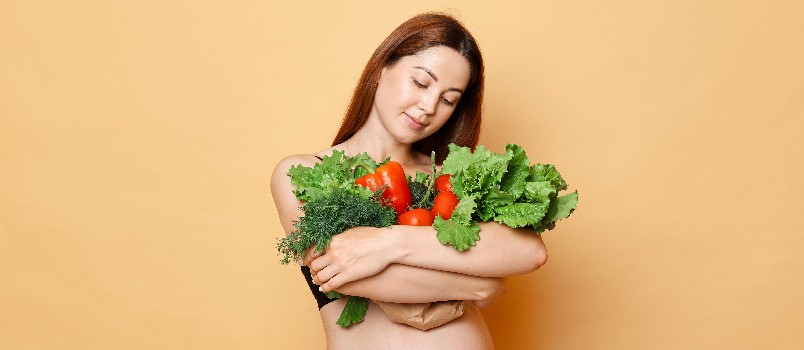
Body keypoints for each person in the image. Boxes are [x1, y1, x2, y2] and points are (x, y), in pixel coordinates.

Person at [271, 12, 547, 349]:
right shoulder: (301, 173)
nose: (429, 106)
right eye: (421, 82)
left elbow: (527, 252)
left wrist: (388, 244)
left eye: (449, 99)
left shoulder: (448, 177)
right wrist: (477, 285)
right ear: (383, 68)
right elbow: (338, 273)